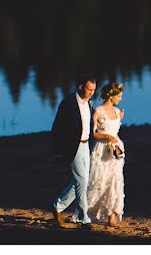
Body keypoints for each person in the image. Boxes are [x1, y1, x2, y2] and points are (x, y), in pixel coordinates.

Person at [50, 76, 96, 228]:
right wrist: (58, 150)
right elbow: (57, 126)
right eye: (89, 89)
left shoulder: (89, 103)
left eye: (94, 90)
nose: (91, 93)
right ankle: (84, 219)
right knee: (82, 181)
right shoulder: (68, 102)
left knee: (81, 181)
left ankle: (57, 206)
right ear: (81, 86)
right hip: (73, 146)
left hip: (85, 145)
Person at [87, 82, 126, 226]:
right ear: (111, 96)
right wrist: (107, 137)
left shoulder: (117, 112)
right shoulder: (98, 111)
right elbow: (93, 134)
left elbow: (114, 127)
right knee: (100, 180)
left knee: (114, 180)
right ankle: (89, 211)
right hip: (101, 149)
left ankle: (111, 216)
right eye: (119, 96)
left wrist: (114, 138)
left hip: (115, 148)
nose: (120, 99)